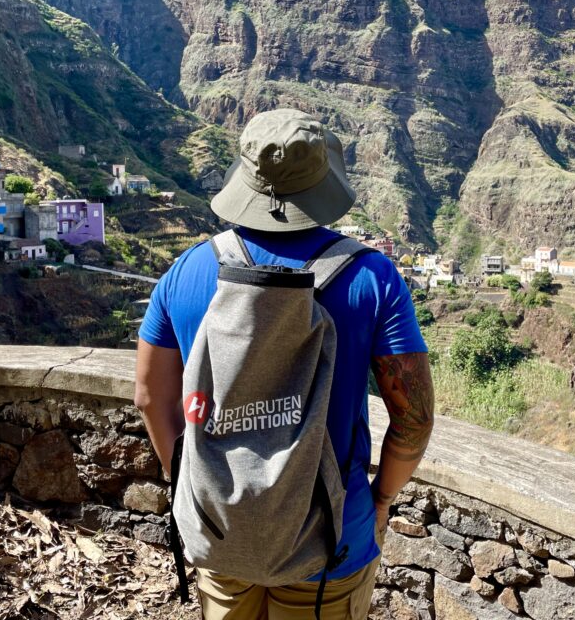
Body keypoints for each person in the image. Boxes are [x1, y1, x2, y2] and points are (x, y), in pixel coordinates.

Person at [135, 108, 434, 619]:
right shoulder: (373, 278)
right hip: (333, 542)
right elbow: (414, 417)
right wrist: (380, 499)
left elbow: (148, 397)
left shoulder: (187, 271)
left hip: (221, 530)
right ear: (322, 183)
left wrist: (193, 488)